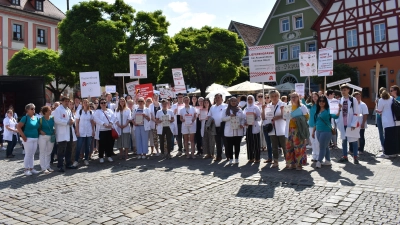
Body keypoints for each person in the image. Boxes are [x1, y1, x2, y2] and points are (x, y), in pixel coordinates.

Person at [283, 92, 309, 170]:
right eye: (292, 97)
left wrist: (297, 119)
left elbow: (307, 117)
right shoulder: (288, 107)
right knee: (289, 147)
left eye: (295, 97)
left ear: (298, 98)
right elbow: (284, 117)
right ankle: (292, 163)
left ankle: (299, 164)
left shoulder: (302, 107)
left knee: (298, 146)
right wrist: (286, 117)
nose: (293, 98)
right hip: (289, 129)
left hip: (298, 129)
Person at [313, 96, 340, 168]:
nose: (321, 102)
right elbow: (316, 122)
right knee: (325, 147)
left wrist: (339, 109)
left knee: (322, 147)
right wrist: (313, 131)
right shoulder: (317, 110)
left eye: (323, 101)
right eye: (320, 101)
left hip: (326, 131)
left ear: (325, 102)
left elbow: (336, 116)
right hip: (318, 130)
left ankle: (319, 161)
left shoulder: (328, 110)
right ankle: (328, 161)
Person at [336, 84, 361, 164]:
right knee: (344, 140)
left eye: (345, 90)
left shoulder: (353, 100)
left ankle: (355, 157)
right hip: (343, 123)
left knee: (353, 141)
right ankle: (345, 156)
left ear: (348, 90)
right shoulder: (340, 100)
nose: (343, 91)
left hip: (350, 123)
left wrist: (354, 123)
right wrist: (339, 109)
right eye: (342, 90)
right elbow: (337, 113)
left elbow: (356, 113)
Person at [262, 90, 286, 168]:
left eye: (275, 96)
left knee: (284, 145)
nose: (274, 97)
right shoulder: (268, 106)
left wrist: (279, 116)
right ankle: (275, 161)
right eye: (272, 96)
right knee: (274, 146)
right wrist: (262, 109)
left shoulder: (283, 104)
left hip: (281, 128)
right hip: (272, 128)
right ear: (270, 97)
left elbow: (287, 117)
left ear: (278, 96)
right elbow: (263, 118)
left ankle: (288, 161)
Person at [53, 97, 78, 172]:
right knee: (61, 150)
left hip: (69, 131)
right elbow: (56, 120)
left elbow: (72, 118)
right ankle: (60, 165)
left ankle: (68, 163)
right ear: (62, 101)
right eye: (65, 101)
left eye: (68, 101)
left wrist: (72, 121)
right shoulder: (58, 110)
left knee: (69, 149)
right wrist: (67, 122)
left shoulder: (68, 110)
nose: (67, 103)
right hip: (62, 132)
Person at [17, 103, 40, 176]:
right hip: (28, 138)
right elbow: (18, 127)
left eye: (34, 109)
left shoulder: (36, 118)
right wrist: (23, 135)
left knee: (32, 154)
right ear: (27, 110)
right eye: (32, 109)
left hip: (35, 138)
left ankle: (31, 168)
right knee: (28, 154)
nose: (33, 110)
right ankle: (26, 169)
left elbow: (38, 127)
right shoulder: (25, 118)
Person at [376, 90, 400, 158]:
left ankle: (387, 153)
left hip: (387, 121)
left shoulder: (381, 100)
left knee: (387, 138)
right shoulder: (392, 98)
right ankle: (395, 152)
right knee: (395, 138)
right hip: (395, 121)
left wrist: (376, 110)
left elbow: (380, 110)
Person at [222, 97, 244, 164]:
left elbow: (243, 118)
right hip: (229, 131)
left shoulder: (239, 110)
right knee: (229, 146)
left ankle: (236, 158)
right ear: (229, 102)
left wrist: (242, 124)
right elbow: (223, 118)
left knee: (237, 145)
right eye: (232, 101)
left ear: (237, 102)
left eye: (235, 101)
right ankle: (231, 158)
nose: (233, 102)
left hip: (238, 130)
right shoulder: (226, 110)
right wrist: (229, 117)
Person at [73, 98, 95, 167]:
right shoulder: (79, 111)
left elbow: (92, 122)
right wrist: (77, 131)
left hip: (88, 131)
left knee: (87, 146)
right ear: (82, 104)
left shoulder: (91, 112)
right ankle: (76, 160)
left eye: (86, 102)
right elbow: (77, 122)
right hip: (81, 131)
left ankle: (86, 159)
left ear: (88, 103)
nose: (85, 103)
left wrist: (93, 131)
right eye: (84, 102)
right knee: (79, 146)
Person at [94, 98, 116, 163]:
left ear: (106, 103)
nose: (103, 104)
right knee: (102, 144)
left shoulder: (109, 110)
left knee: (110, 143)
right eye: (102, 103)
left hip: (109, 129)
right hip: (102, 130)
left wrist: (111, 123)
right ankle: (101, 156)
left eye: (104, 103)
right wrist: (103, 124)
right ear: (100, 104)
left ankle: (109, 156)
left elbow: (114, 117)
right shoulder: (98, 111)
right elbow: (96, 119)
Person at [207, 93, 228, 161]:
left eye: (218, 97)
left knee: (226, 142)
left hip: (224, 125)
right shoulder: (212, 107)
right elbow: (209, 115)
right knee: (218, 142)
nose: (217, 99)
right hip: (215, 126)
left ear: (222, 99)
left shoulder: (226, 106)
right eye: (216, 98)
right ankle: (219, 156)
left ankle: (228, 156)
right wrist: (211, 120)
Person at [244, 95, 262, 163]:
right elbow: (243, 117)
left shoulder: (256, 108)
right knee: (249, 142)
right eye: (248, 99)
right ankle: (251, 157)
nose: (250, 100)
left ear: (253, 100)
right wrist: (245, 122)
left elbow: (259, 117)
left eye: (251, 99)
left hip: (255, 126)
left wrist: (254, 119)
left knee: (256, 142)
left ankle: (257, 158)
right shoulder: (246, 109)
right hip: (248, 127)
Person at [302, 92, 319, 161]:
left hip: (318, 125)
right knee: (312, 141)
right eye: (313, 96)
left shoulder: (321, 104)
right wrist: (303, 98)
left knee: (317, 141)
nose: (314, 98)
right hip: (311, 124)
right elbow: (304, 105)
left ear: (318, 96)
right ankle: (314, 154)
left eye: (315, 96)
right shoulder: (311, 105)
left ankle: (318, 155)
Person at [38, 106, 55, 174]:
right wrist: (40, 131)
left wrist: (54, 130)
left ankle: (48, 166)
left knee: (49, 152)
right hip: (43, 137)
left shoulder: (52, 118)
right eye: (49, 110)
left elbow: (54, 126)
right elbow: (38, 128)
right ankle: (43, 168)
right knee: (42, 152)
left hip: (51, 136)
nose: (51, 111)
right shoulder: (41, 119)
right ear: (45, 112)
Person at [375, 87, 386, 152]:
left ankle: (383, 146)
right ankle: (384, 146)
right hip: (381, 117)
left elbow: (379, 110)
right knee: (383, 132)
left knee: (381, 132)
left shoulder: (381, 100)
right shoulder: (379, 99)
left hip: (381, 117)